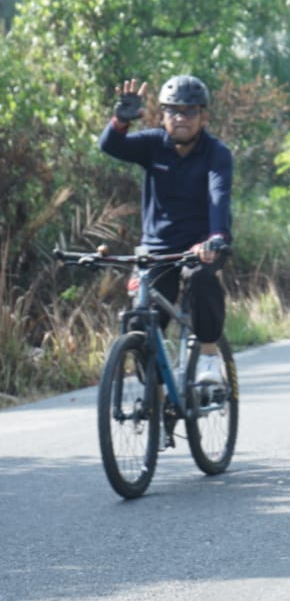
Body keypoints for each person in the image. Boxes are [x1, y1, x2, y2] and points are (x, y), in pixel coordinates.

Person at [99, 75, 233, 387]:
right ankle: (157, 399)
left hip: (202, 245)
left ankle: (210, 356)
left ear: (204, 117)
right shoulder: (152, 145)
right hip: (157, 248)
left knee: (202, 278)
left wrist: (216, 239)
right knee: (141, 319)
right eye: (173, 111)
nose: (180, 118)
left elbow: (218, 196)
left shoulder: (216, 153)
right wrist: (120, 120)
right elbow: (110, 145)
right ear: (162, 115)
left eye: (189, 112)